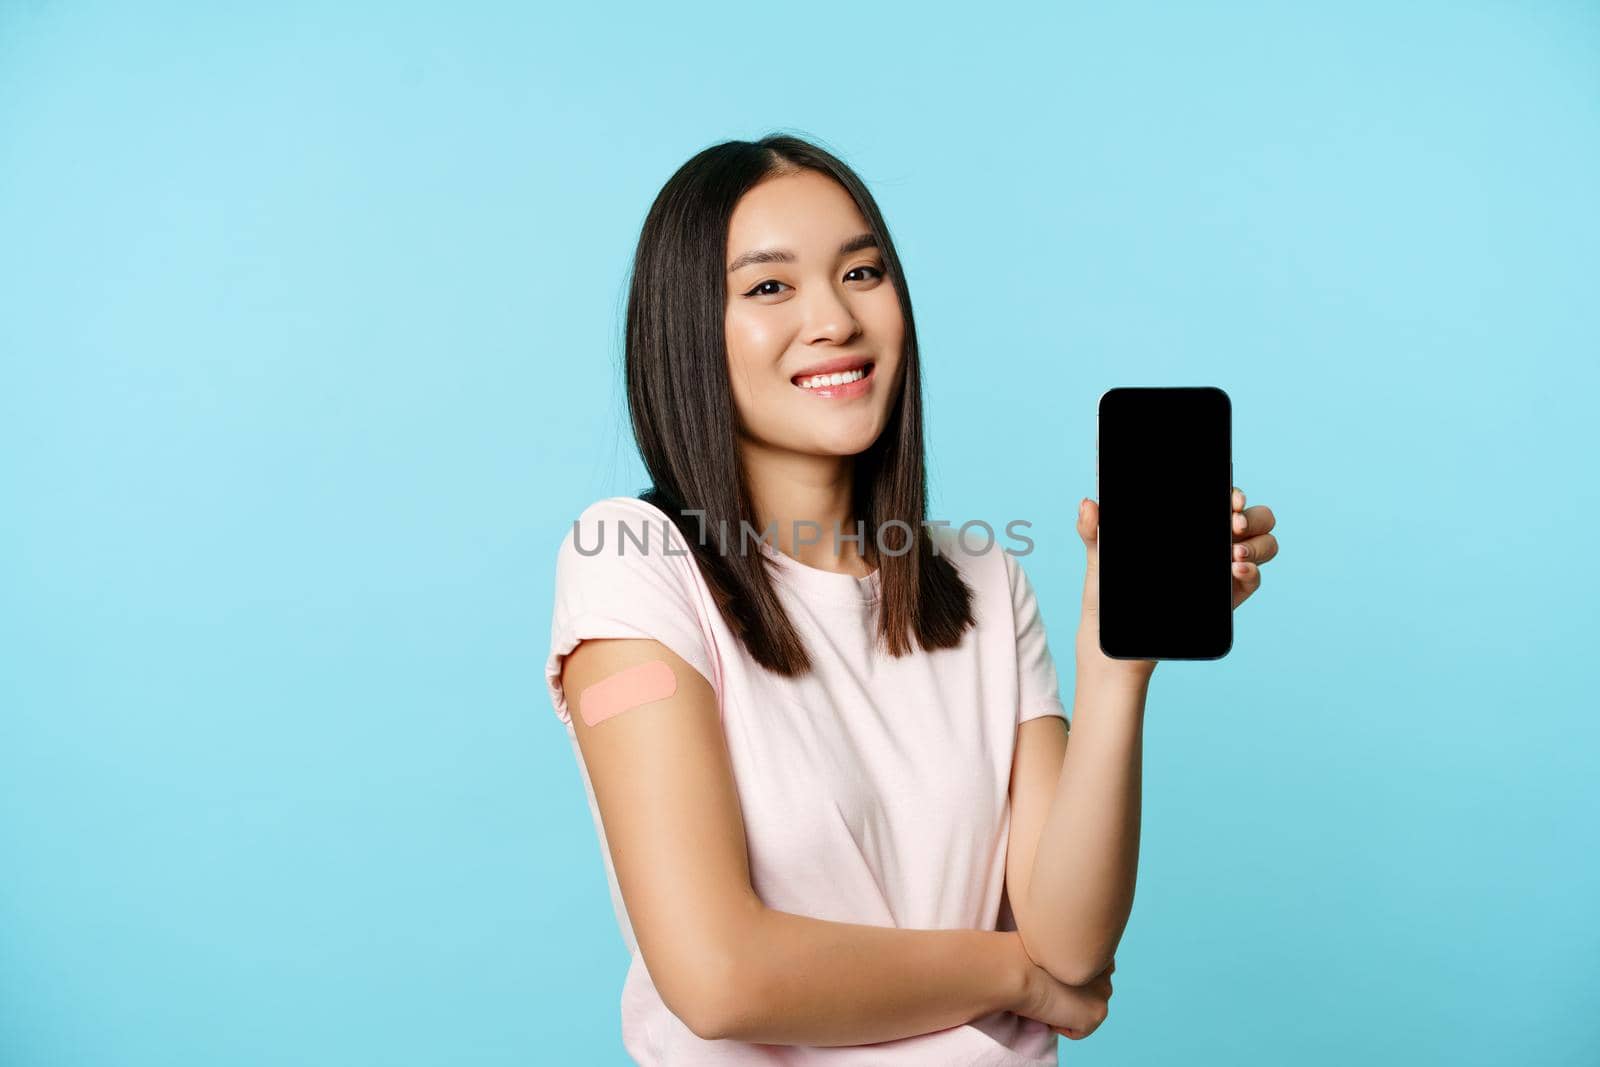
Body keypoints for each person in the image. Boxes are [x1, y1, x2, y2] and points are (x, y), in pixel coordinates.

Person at [544, 134, 1274, 1064]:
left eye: (863, 271)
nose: (835, 319)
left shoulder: (980, 580)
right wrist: (1013, 974)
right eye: (770, 286)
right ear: (685, 330)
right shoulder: (636, 559)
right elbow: (719, 976)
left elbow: (1075, 939)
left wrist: (1117, 664)